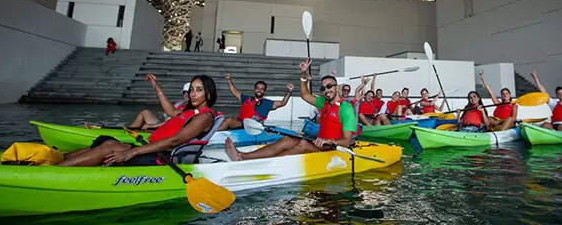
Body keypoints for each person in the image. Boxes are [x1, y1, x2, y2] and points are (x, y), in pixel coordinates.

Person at [59, 74, 219, 166]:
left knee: (109, 147)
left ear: (209, 94)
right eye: (191, 90)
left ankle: (53, 170)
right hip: (150, 148)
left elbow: (174, 141)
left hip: (160, 157)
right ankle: (56, 159)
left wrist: (132, 152)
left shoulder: (204, 117)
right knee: (104, 140)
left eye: (199, 90)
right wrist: (156, 86)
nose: (193, 94)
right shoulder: (190, 112)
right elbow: (170, 111)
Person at [224, 58, 355, 161]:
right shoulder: (324, 103)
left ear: (337, 87)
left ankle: (264, 164)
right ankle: (243, 156)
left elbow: (346, 141)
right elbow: (305, 95)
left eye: (329, 86)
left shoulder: (346, 108)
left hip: (332, 149)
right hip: (319, 144)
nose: (326, 90)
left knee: (303, 143)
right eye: (324, 88)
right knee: (287, 139)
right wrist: (303, 73)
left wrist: (328, 141)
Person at [217, 74, 293, 130]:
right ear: (254, 90)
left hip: (253, 128)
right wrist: (228, 80)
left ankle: (213, 135)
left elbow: (283, 103)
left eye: (262, 89)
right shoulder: (246, 99)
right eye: (257, 88)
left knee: (229, 121)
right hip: (240, 124)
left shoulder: (268, 103)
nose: (259, 90)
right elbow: (234, 91)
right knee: (223, 120)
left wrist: (289, 91)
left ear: (264, 91)